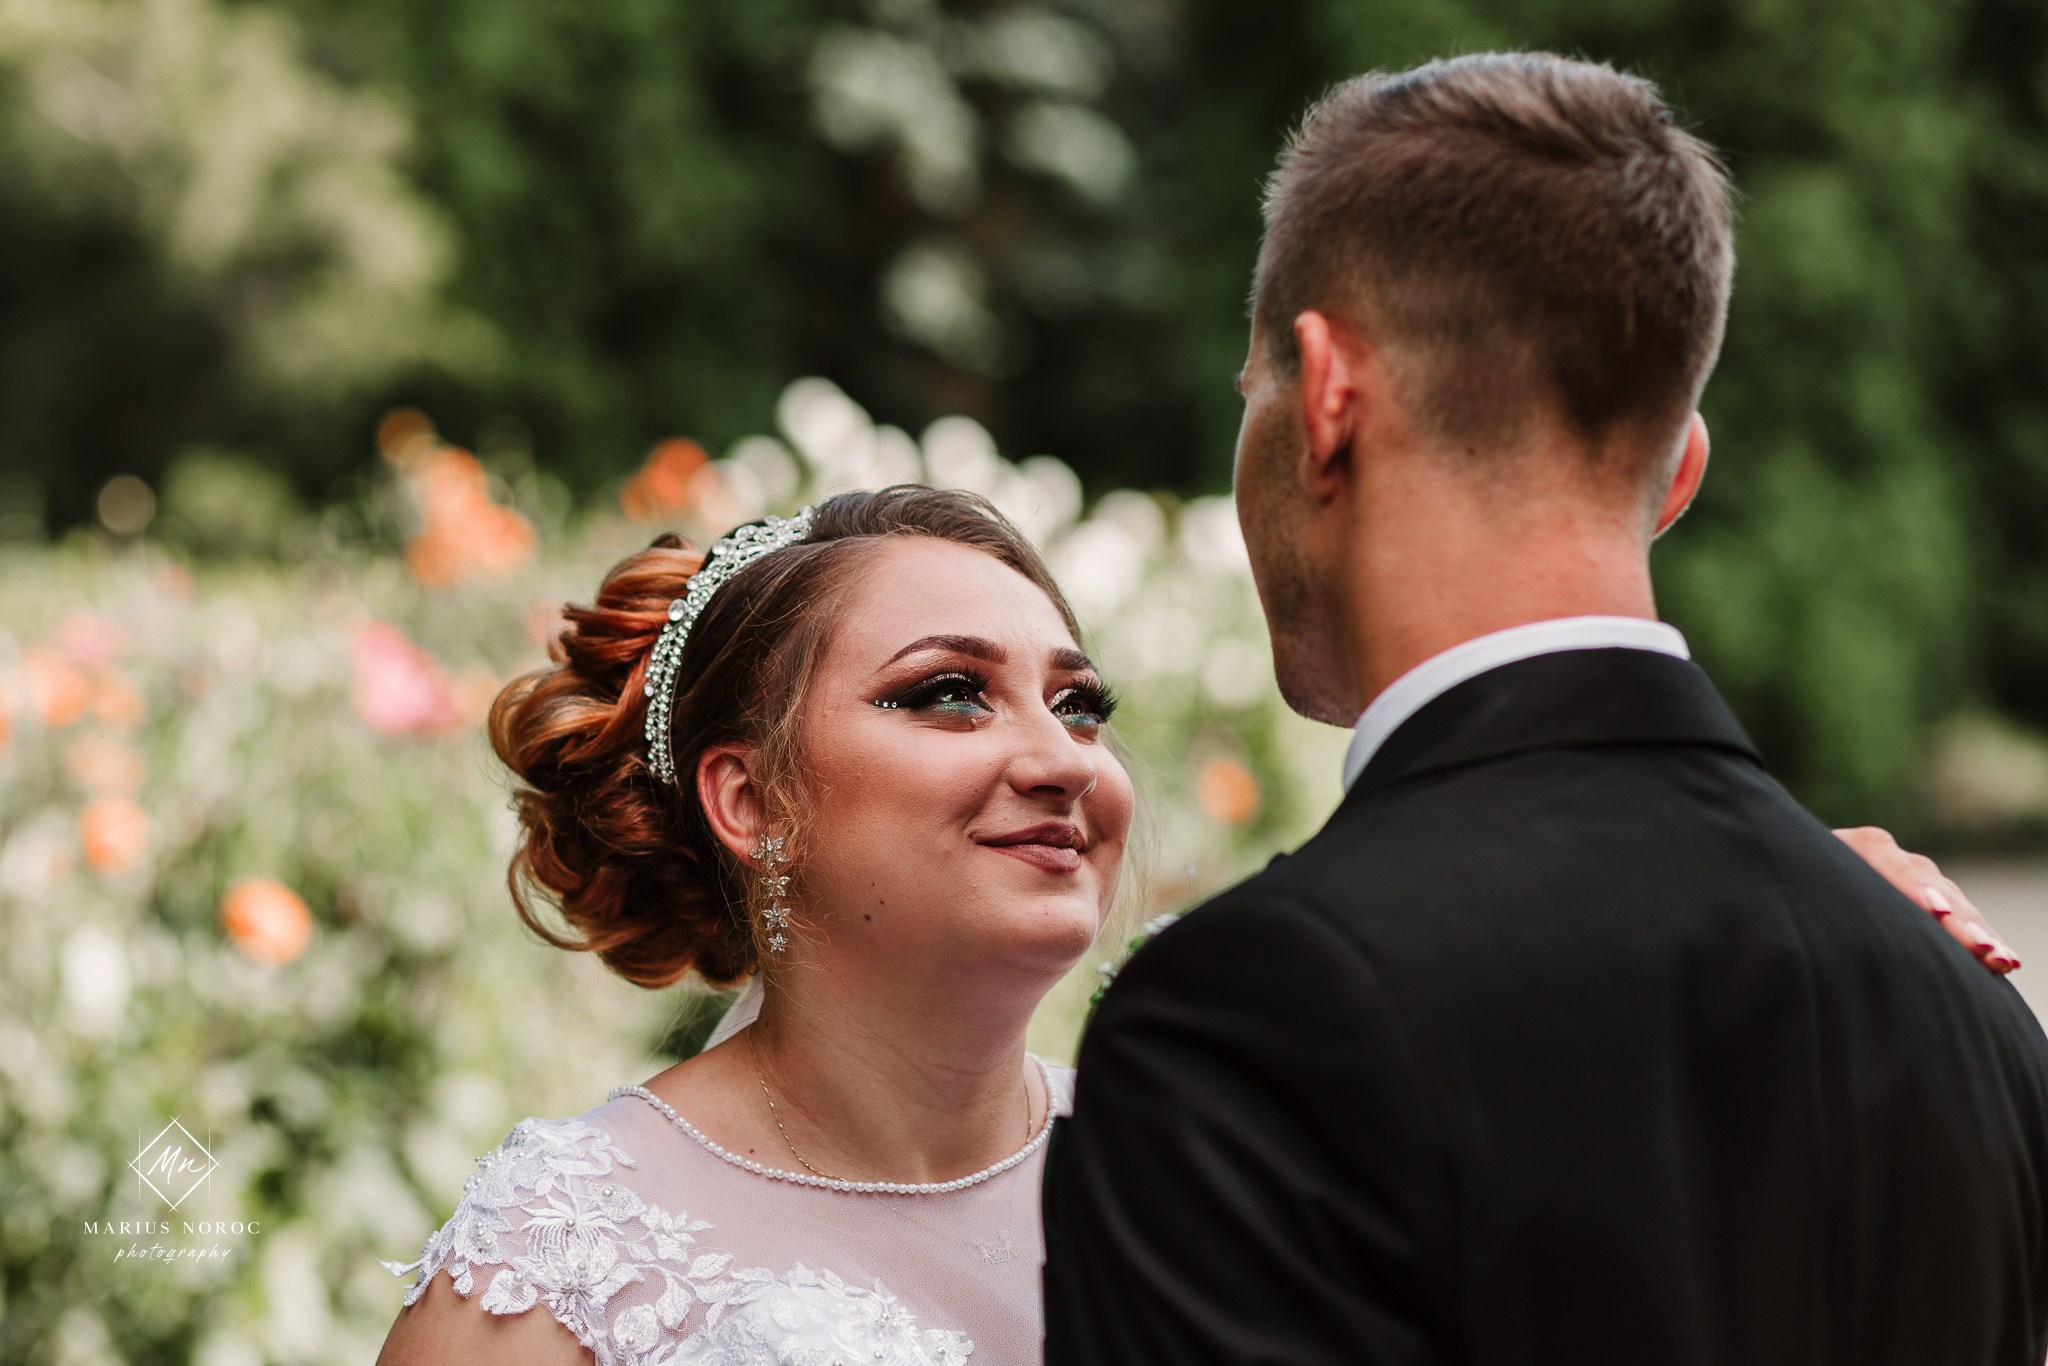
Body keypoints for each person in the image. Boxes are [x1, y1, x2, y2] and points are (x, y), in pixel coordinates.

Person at [372, 484, 2003, 1366]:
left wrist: (1777, 902)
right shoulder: (560, 1267)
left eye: (1084, 705)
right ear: (748, 798)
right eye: (947, 694)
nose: (1056, 757)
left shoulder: (1213, 1148)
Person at [1039, 51, 2048, 1366]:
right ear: (1679, 473)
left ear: (1328, 397)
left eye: (1254, 396)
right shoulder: (1973, 1017)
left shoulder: (1250, 1019)